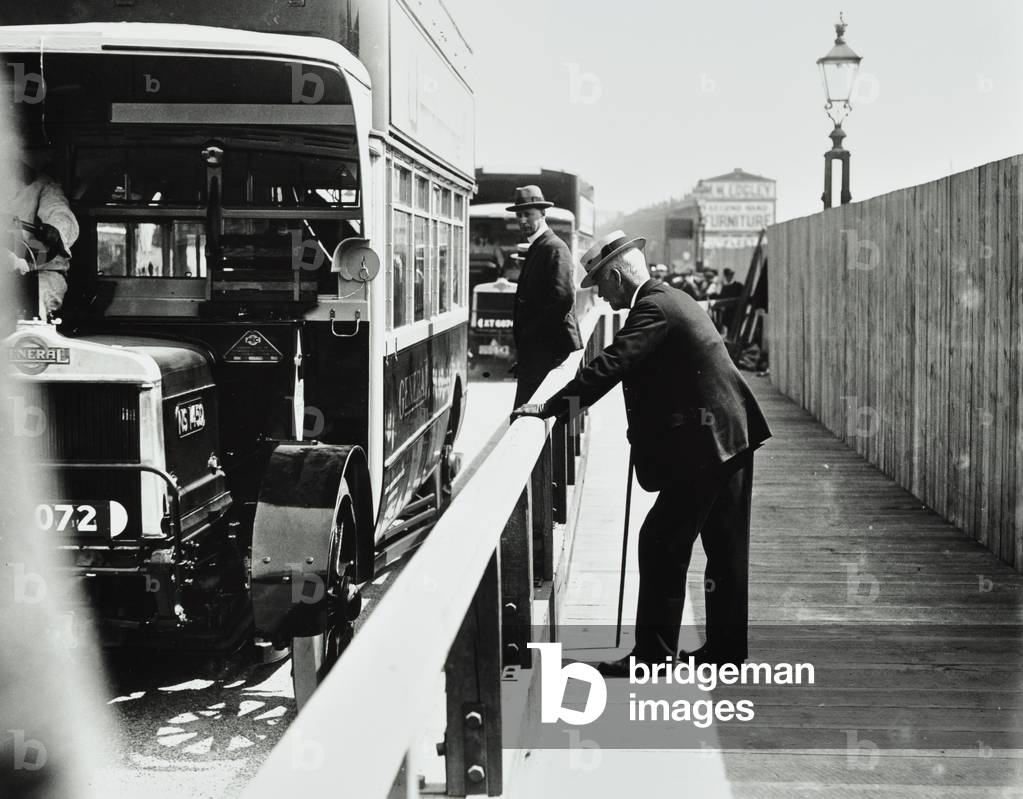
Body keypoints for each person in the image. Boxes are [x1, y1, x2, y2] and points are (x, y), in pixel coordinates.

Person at [512, 230, 771, 675]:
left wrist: (552, 407)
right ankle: (726, 652)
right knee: (724, 550)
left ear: (616, 275)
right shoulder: (673, 298)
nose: (601, 297)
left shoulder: (652, 308)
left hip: (710, 443)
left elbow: (611, 366)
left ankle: (652, 659)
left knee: (660, 543)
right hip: (733, 433)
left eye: (600, 285)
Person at [507, 185, 582, 406]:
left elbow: (563, 299)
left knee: (526, 413)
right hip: (539, 352)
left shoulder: (554, 248)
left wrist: (533, 339)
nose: (522, 220)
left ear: (542, 213)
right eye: (519, 215)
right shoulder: (541, 247)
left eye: (528, 214)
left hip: (549, 352)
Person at [6, 155, 79, 316]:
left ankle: (31, 339)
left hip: (42, 272)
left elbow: (59, 213)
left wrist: (55, 230)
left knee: (32, 299)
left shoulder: (45, 186)